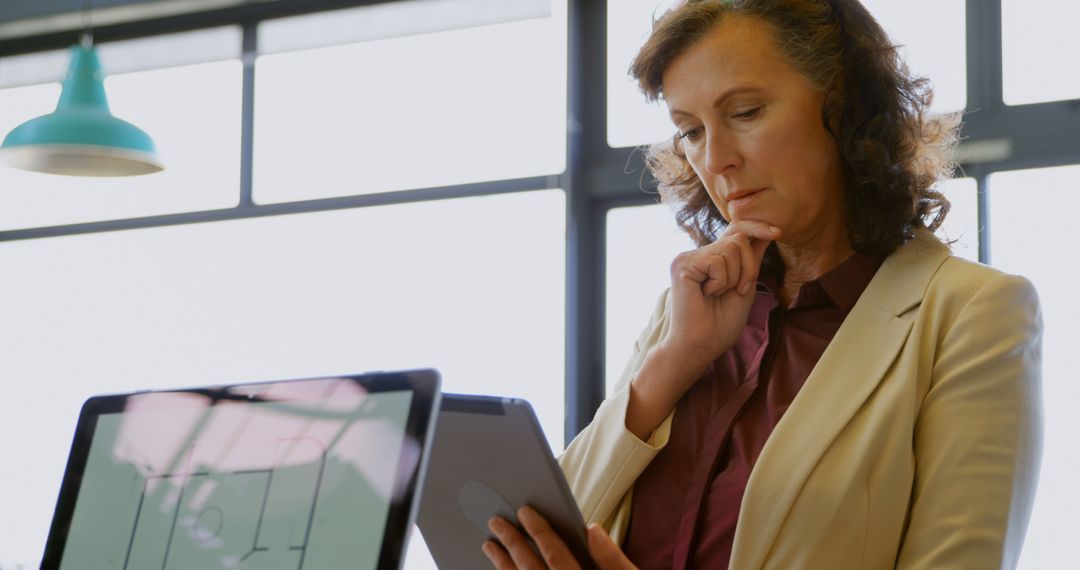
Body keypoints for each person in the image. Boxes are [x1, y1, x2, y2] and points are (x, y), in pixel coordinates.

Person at [483, 0, 1043, 568]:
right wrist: (677, 358)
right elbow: (541, 535)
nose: (717, 158)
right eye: (691, 131)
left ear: (845, 106)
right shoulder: (682, 314)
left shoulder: (971, 313)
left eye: (746, 112)